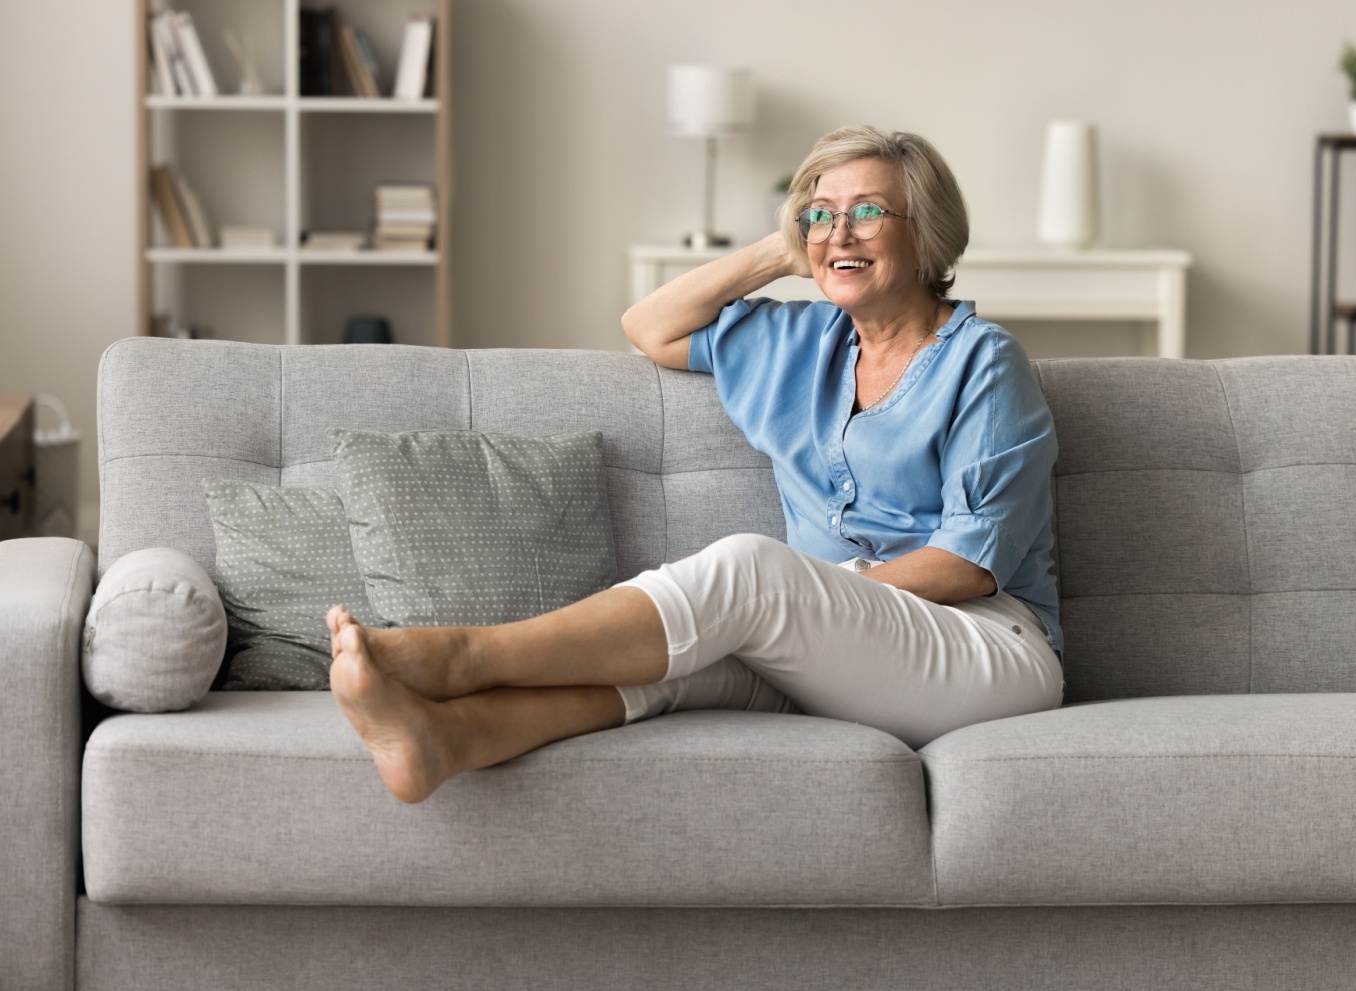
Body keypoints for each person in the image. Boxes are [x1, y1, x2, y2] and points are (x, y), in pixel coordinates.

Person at [325, 125, 1064, 804]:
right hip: (839, 646)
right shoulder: (798, 342)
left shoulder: (983, 363)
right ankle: (444, 739)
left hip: (984, 646)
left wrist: (813, 592)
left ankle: (464, 655)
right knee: (677, 669)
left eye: (868, 212)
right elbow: (649, 325)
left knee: (750, 571)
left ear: (927, 234)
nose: (839, 232)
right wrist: (783, 249)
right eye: (820, 213)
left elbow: (971, 563)